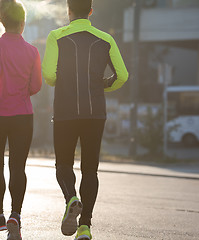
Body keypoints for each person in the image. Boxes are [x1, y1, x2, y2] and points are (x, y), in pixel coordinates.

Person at [42, 0, 129, 239]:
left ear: (68, 11)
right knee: (90, 170)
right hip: (95, 113)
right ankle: (85, 227)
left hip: (65, 113)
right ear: (91, 11)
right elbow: (122, 75)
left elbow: (49, 76)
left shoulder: (56, 36)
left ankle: (71, 198)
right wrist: (101, 87)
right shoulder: (105, 39)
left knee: (63, 165)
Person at [0, 0, 42, 239]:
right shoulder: (33, 51)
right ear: (23, 23)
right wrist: (22, 94)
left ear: (1, 20)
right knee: (18, 167)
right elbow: (36, 85)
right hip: (23, 115)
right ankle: (16, 214)